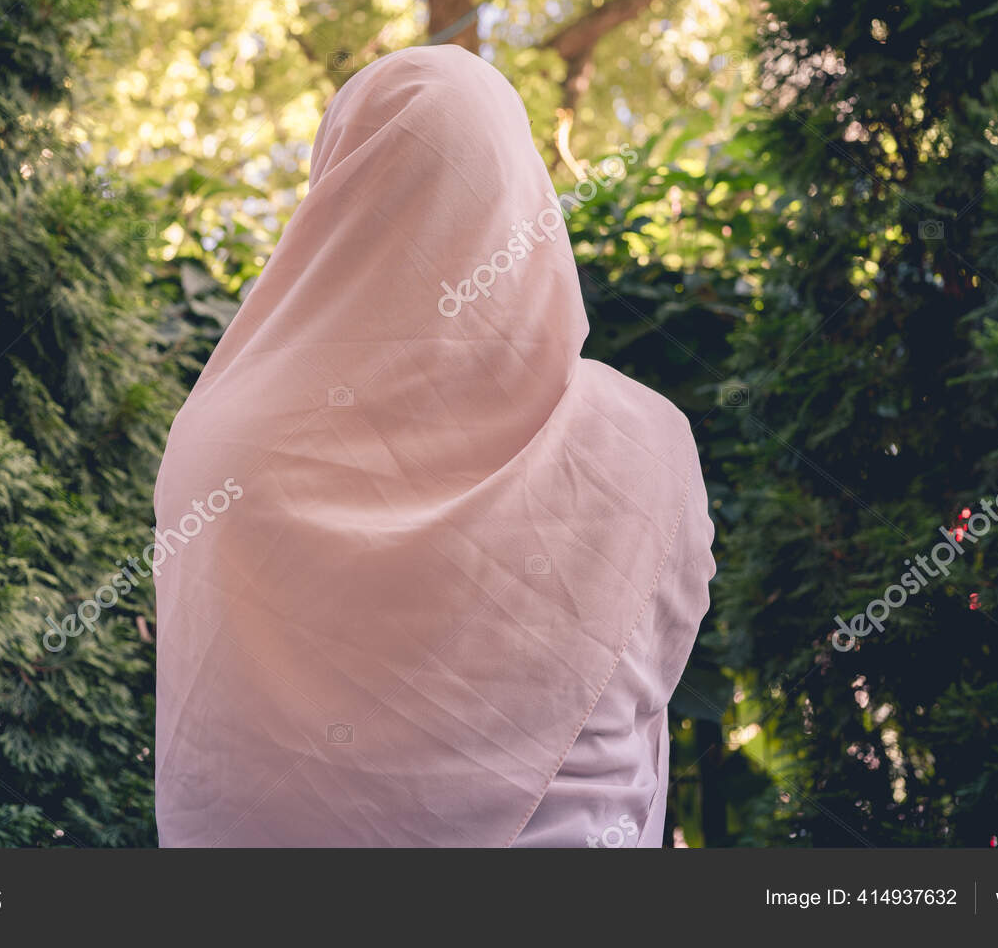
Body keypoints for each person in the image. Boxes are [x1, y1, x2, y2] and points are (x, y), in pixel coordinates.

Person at [153, 44, 715, 847]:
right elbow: (655, 669)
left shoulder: (218, 441)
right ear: (524, 190)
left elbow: (214, 727)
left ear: (335, 187)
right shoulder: (644, 438)